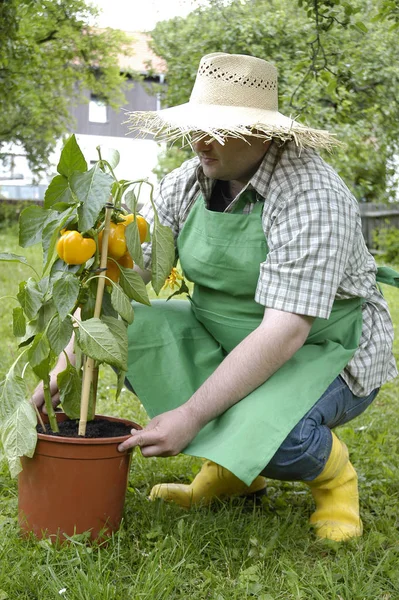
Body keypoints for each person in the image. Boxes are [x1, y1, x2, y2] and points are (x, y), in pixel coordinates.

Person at [35, 53, 398, 542]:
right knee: (129, 329)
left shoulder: (311, 195)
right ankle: (232, 473)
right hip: (224, 332)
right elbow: (117, 282)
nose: (200, 141)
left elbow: (285, 330)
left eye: (220, 129)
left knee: (280, 438)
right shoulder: (189, 181)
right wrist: (59, 372)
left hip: (322, 349)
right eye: (197, 126)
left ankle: (334, 478)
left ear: (263, 132)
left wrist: (190, 415)